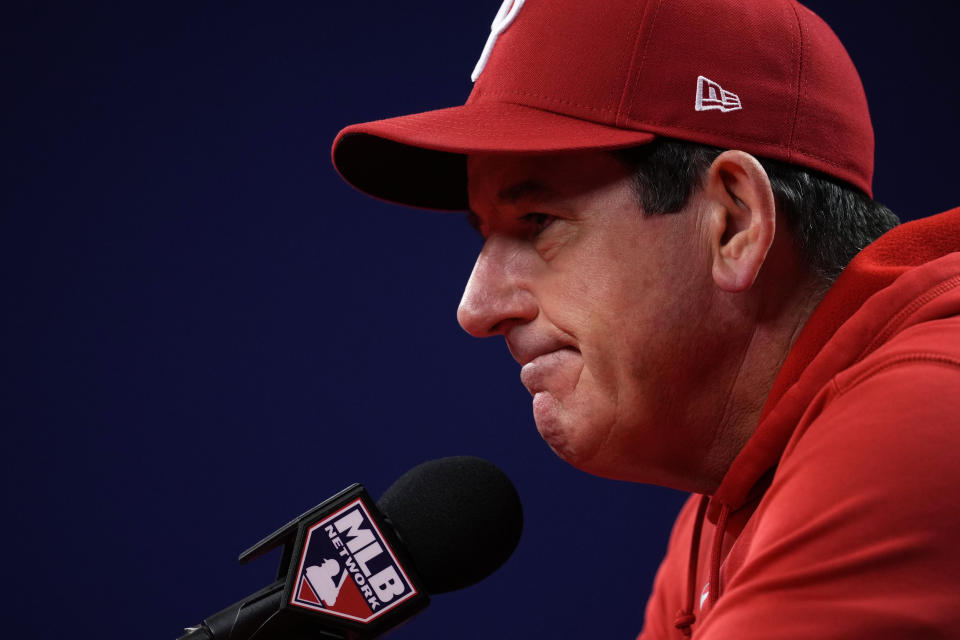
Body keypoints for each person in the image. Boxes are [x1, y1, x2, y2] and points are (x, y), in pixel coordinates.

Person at [331, 0, 960, 637]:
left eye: (537, 222)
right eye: (484, 235)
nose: (476, 309)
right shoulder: (721, 510)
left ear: (734, 224)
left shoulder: (921, 418)